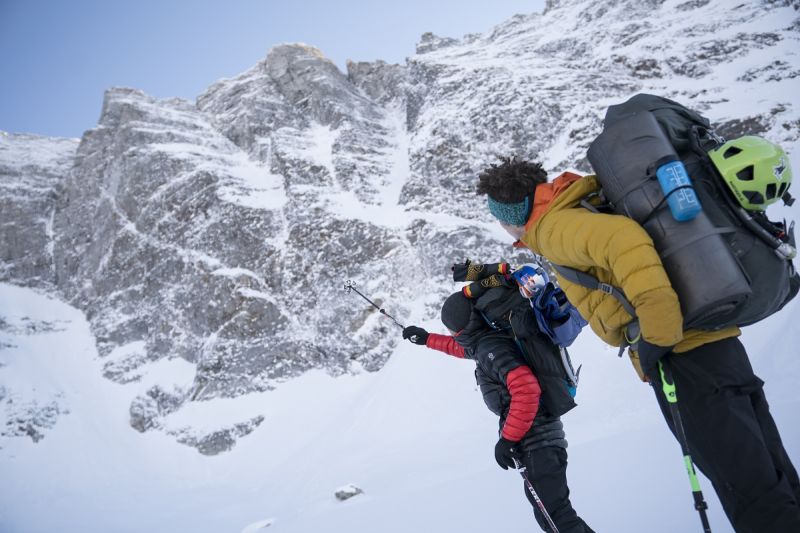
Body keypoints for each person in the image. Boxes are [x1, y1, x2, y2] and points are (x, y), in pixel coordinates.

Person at [475, 156, 800, 532]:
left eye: (499, 218)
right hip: (712, 343)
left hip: (684, 356)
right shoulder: (572, 209)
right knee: (771, 475)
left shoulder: (555, 226)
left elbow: (624, 242)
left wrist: (655, 340)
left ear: (512, 212)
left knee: (746, 487)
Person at [403, 287, 594, 533]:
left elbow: (526, 389)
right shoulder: (487, 341)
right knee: (552, 518)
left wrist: (507, 439)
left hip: (538, 444)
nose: (451, 333)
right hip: (538, 443)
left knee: (558, 519)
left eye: (451, 328)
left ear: (461, 327)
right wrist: (427, 339)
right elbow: (464, 348)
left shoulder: (490, 348)